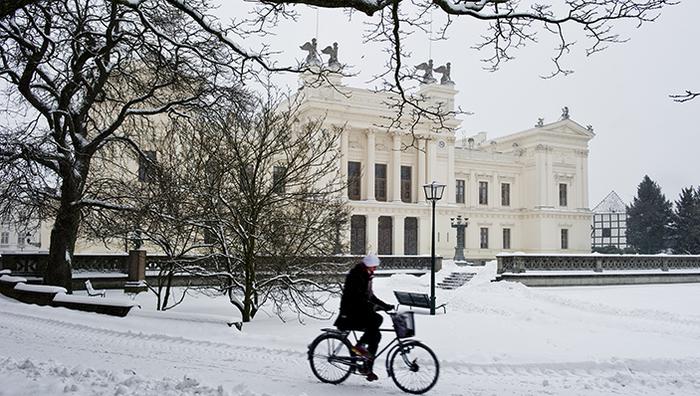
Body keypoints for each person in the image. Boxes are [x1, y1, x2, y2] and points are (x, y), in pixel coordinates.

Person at [334, 253, 393, 382]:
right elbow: (357, 298)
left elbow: (370, 297)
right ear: (368, 265)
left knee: (376, 335)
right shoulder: (357, 275)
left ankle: (367, 367)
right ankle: (358, 348)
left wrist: (385, 305)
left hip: (359, 310)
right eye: (374, 267)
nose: (375, 270)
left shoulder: (366, 276)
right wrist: (373, 307)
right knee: (375, 320)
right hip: (349, 313)